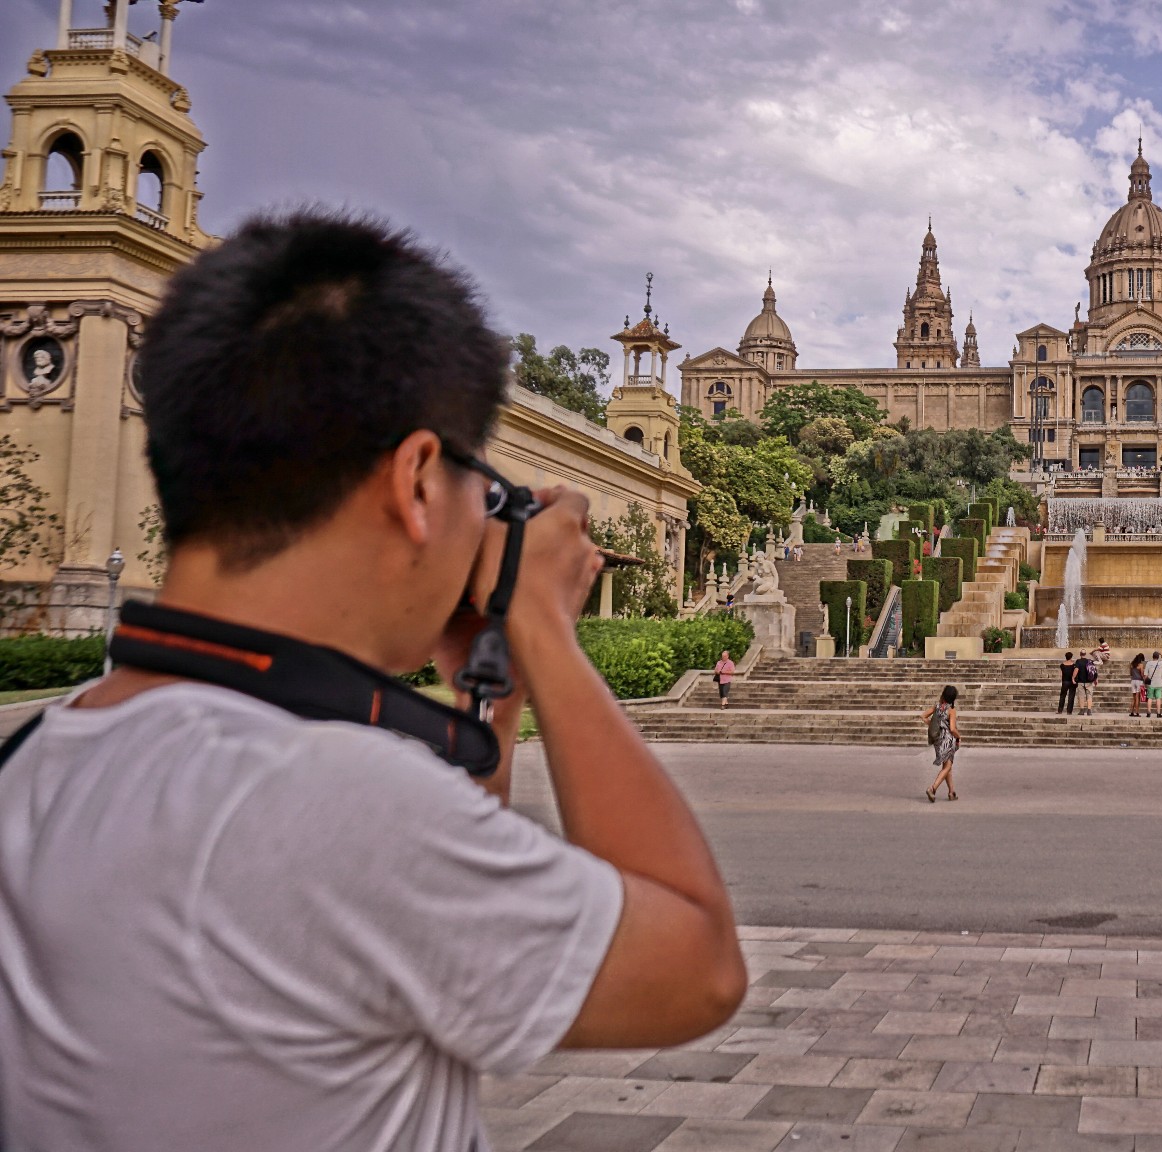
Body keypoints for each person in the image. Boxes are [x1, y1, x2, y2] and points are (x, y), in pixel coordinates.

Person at [0, 212, 747, 1147]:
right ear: (416, 479)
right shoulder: (322, 802)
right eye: (485, 485)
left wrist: (493, 693)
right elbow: (697, 965)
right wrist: (545, 625)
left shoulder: (40, 760)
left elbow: (433, 905)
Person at [921, 685, 961, 802]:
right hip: (947, 741)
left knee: (947, 766)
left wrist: (934, 726)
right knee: (947, 766)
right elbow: (953, 729)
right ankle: (932, 788)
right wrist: (959, 736)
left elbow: (923, 716)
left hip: (938, 741)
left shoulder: (937, 707)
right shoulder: (951, 710)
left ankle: (951, 792)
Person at [1145, 648, 1162, 717]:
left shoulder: (1148, 663)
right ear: (1158, 657)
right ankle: (1158, 713)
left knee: (1150, 698)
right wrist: (1161, 654)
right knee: (1158, 698)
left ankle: (1148, 712)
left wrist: (1145, 683)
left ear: (1152, 657)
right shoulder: (1160, 663)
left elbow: (1145, 675)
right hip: (1158, 684)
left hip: (1151, 684)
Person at [1075, 652, 1097, 716]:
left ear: (1080, 654)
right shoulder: (1090, 661)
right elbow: (1094, 671)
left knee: (1081, 697)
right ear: (1085, 654)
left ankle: (1082, 710)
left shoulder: (1078, 661)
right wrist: (1096, 680)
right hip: (1089, 682)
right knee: (1089, 696)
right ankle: (1089, 711)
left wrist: (1073, 678)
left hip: (1081, 682)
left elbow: (1076, 670)